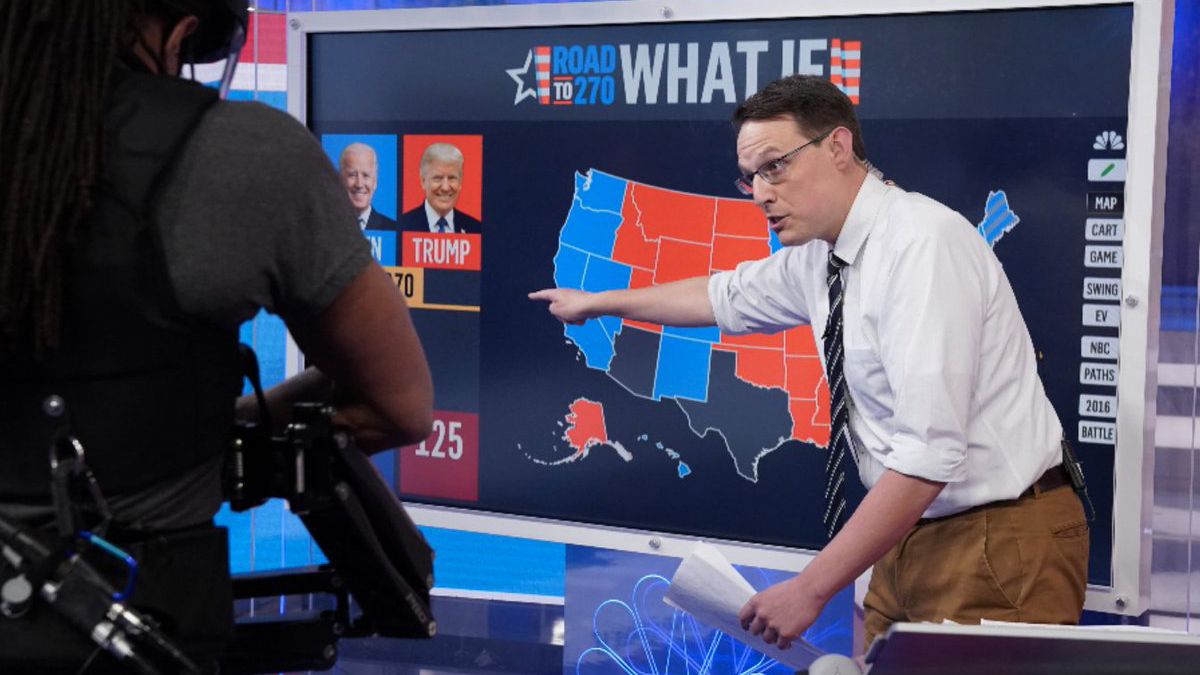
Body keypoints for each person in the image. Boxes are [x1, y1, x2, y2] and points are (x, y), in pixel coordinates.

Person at [530, 75, 1088, 651]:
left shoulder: (923, 247)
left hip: (993, 541)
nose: (760, 193)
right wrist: (598, 304)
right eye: (750, 177)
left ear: (838, 149)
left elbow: (929, 455)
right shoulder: (824, 254)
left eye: (775, 166)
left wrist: (811, 588)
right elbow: (722, 297)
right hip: (903, 538)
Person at [0, 1, 432, 672]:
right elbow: (397, 404)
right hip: (141, 629)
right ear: (187, 31)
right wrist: (212, 424)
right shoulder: (245, 156)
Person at [398, 142, 482, 234]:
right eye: (437, 178)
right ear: (423, 181)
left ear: (460, 181)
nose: (445, 188)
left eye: (452, 178)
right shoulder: (404, 225)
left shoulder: (475, 228)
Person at [340, 141, 398, 231]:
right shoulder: (326, 226)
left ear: (375, 181)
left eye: (366, 175)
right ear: (341, 179)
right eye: (352, 175)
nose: (359, 184)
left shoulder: (392, 228)